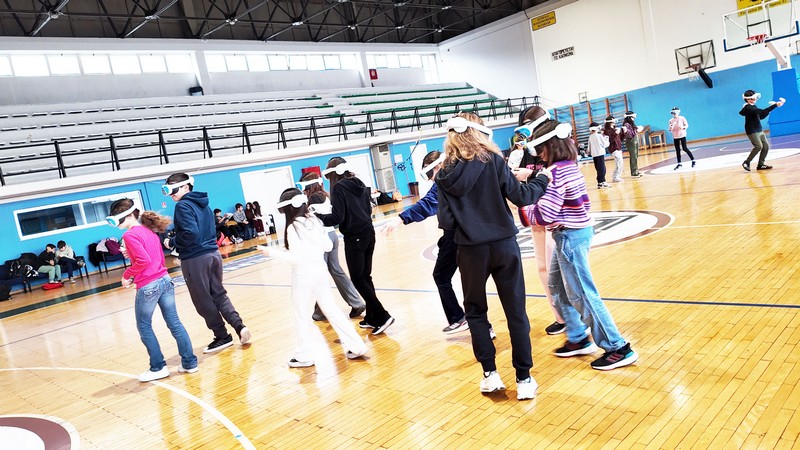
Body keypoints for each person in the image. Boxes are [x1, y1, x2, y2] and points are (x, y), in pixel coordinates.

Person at [435, 112, 551, 400]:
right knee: (516, 312)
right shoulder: (493, 161)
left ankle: (490, 375)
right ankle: (524, 378)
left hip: (470, 250)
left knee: (476, 312)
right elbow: (522, 197)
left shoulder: (443, 174)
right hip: (503, 245)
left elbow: (446, 221)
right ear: (479, 132)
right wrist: (541, 180)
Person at [521, 118, 638, 371]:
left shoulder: (555, 173)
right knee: (556, 286)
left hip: (569, 236)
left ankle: (617, 347)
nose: (538, 154)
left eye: (540, 148)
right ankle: (577, 337)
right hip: (573, 233)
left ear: (551, 146)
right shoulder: (567, 166)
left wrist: (521, 205)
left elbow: (545, 214)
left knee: (582, 293)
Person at [383, 150, 497, 338]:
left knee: (446, 277)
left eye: (430, 174)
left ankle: (463, 320)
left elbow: (428, 203)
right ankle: (480, 326)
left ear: (437, 167)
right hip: (474, 234)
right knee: (469, 282)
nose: (430, 180)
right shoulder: (465, 174)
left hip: (459, 237)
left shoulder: (446, 180)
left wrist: (401, 218)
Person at [258, 188, 368, 367]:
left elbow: (296, 259)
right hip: (320, 272)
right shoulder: (315, 221)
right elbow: (327, 246)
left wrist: (271, 252)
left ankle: (303, 355)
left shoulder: (293, 227)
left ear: (289, 207)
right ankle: (357, 346)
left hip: (303, 276)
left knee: (301, 315)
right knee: (332, 310)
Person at [107, 198, 198, 382]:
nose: (115, 223)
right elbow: (154, 257)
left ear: (128, 216)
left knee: (144, 326)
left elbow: (144, 261)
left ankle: (158, 367)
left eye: (116, 218)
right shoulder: (148, 230)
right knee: (174, 323)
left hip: (149, 286)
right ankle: (189, 363)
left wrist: (127, 275)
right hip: (165, 280)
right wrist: (131, 255)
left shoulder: (129, 235)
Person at [162, 173, 252, 353]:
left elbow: (190, 233)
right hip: (213, 254)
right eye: (168, 190)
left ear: (186, 187)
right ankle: (239, 326)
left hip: (195, 258)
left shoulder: (182, 205)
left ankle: (222, 336)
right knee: (219, 294)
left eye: (173, 189)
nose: (171, 194)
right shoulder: (204, 204)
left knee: (202, 300)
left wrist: (172, 242)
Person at [315, 157, 395, 335]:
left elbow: (337, 218)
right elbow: (367, 209)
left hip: (355, 237)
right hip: (369, 233)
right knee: (365, 276)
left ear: (333, 173)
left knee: (358, 279)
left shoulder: (338, 188)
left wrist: (317, 217)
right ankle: (372, 317)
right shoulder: (359, 183)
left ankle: (382, 316)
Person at [512, 106, 567, 336]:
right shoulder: (525, 148)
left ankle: (575, 319)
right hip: (536, 216)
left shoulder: (555, 142)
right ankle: (561, 317)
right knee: (543, 268)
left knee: (562, 269)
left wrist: (531, 174)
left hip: (557, 218)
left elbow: (560, 174)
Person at [298, 172, 366, 321]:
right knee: (335, 270)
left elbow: (314, 221)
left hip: (322, 238)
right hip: (332, 236)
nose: (303, 190)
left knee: (320, 274)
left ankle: (323, 310)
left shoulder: (314, 198)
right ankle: (355, 302)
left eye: (303, 186)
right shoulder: (325, 195)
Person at [740, 90, 786, 171]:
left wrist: (773, 107)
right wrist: (774, 105)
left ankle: (760, 165)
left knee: (766, 146)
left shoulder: (753, 106)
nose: (755, 99)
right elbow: (760, 112)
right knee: (758, 146)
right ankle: (746, 162)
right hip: (752, 130)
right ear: (748, 99)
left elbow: (761, 116)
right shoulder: (748, 108)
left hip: (759, 129)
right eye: (753, 98)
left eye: (755, 98)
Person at [588, 122, 610, 189]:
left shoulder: (590, 136)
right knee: (602, 168)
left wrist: (589, 152)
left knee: (598, 168)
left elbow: (589, 147)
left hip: (594, 154)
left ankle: (600, 182)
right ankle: (602, 181)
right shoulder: (599, 136)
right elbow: (605, 144)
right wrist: (606, 139)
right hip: (600, 153)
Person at [603, 116, 625, 182]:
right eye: (613, 121)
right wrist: (615, 134)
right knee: (619, 163)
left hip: (618, 148)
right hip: (614, 149)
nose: (615, 122)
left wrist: (624, 132)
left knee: (620, 163)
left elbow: (620, 139)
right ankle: (615, 177)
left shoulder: (615, 129)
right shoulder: (606, 131)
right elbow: (610, 141)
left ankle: (616, 176)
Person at [621, 111, 643, 178]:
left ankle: (636, 171)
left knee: (635, 156)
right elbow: (629, 134)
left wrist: (637, 128)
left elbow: (634, 130)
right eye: (632, 117)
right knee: (633, 156)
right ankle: (634, 173)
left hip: (634, 140)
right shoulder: (626, 124)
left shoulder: (631, 123)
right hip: (631, 141)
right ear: (629, 117)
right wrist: (636, 130)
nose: (633, 118)